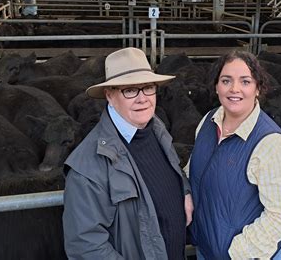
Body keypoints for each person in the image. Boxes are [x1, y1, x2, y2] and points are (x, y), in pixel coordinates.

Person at [62, 47, 193, 260]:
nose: (142, 99)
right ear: (110, 95)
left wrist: (184, 189)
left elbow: (171, 171)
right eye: (130, 90)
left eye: (148, 87)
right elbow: (85, 246)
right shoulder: (88, 165)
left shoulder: (157, 130)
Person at [186, 51, 281, 259]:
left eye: (245, 81)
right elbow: (195, 168)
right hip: (206, 248)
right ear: (216, 86)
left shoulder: (272, 144)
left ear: (258, 88)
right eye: (226, 80)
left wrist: (236, 252)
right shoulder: (208, 122)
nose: (234, 89)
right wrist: (185, 192)